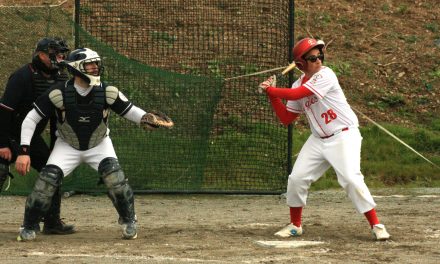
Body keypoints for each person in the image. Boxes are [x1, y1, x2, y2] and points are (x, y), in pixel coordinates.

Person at [15, 47, 173, 241]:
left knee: (116, 180)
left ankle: (129, 221)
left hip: (99, 144)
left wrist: (145, 118)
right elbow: (30, 119)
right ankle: (29, 226)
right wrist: (24, 151)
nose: (95, 67)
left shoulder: (108, 91)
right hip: (66, 146)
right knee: (46, 183)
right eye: (89, 64)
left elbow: (130, 110)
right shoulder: (58, 92)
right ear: (76, 68)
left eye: (96, 63)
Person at [258, 37, 391, 241]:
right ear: (301, 64)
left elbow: (298, 94)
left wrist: (271, 89)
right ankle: (295, 225)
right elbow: (286, 118)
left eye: (320, 55)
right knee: (297, 178)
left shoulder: (326, 74)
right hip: (318, 139)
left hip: (343, 135)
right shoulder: (296, 83)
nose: (318, 59)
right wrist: (273, 96)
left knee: (350, 178)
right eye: (312, 57)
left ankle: (376, 224)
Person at [0, 37, 75, 235]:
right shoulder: (22, 76)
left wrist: (55, 147)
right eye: (54, 54)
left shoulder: (61, 78)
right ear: (40, 54)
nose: (59, 58)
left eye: (61, 54)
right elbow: (5, 112)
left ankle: (52, 222)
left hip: (30, 136)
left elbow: (55, 116)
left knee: (53, 169)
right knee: (0, 168)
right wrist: (2, 145)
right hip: (6, 132)